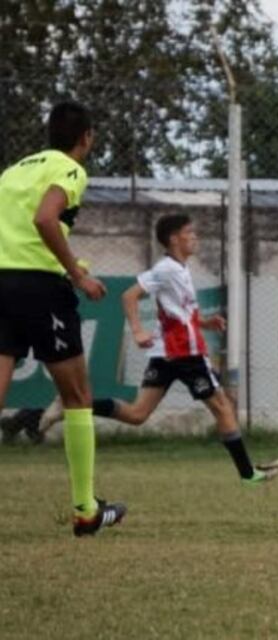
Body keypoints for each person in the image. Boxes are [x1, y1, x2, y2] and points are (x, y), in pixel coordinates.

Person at [42, 214, 278, 485]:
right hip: (184, 354)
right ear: (173, 238)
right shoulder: (167, 269)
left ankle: (72, 405)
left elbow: (179, 312)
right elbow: (129, 295)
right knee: (223, 407)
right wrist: (137, 330)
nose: (195, 237)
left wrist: (205, 322)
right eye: (189, 233)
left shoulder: (179, 269)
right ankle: (248, 474)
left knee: (137, 415)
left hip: (167, 353)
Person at [0, 101, 126, 536]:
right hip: (40, 288)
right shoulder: (70, 169)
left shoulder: (13, 171)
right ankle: (85, 509)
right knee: (77, 397)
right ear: (86, 138)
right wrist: (77, 274)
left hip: (1, 282)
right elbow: (44, 218)